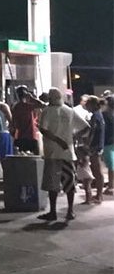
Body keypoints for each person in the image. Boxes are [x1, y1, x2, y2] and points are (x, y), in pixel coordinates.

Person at [38, 88, 89, 221]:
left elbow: (43, 130)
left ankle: (53, 212)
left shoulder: (47, 111)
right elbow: (86, 127)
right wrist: (74, 137)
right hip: (68, 153)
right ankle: (70, 211)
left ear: (50, 98)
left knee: (52, 184)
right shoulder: (69, 111)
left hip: (52, 153)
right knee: (69, 182)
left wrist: (58, 140)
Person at [82, 96, 105, 204]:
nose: (86, 106)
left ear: (93, 105)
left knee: (97, 171)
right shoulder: (97, 115)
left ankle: (99, 195)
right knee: (96, 170)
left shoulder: (96, 116)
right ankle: (98, 195)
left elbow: (93, 133)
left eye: (88, 104)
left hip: (95, 146)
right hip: (97, 145)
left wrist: (87, 144)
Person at [11, 87, 45, 154]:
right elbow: (42, 105)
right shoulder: (27, 106)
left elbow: (14, 123)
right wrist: (32, 98)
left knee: (22, 156)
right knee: (34, 157)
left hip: (20, 136)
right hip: (30, 136)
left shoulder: (15, 107)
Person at [102, 96, 114, 195]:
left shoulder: (104, 114)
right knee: (111, 165)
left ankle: (111, 186)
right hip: (110, 141)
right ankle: (111, 185)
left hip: (108, 142)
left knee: (111, 165)